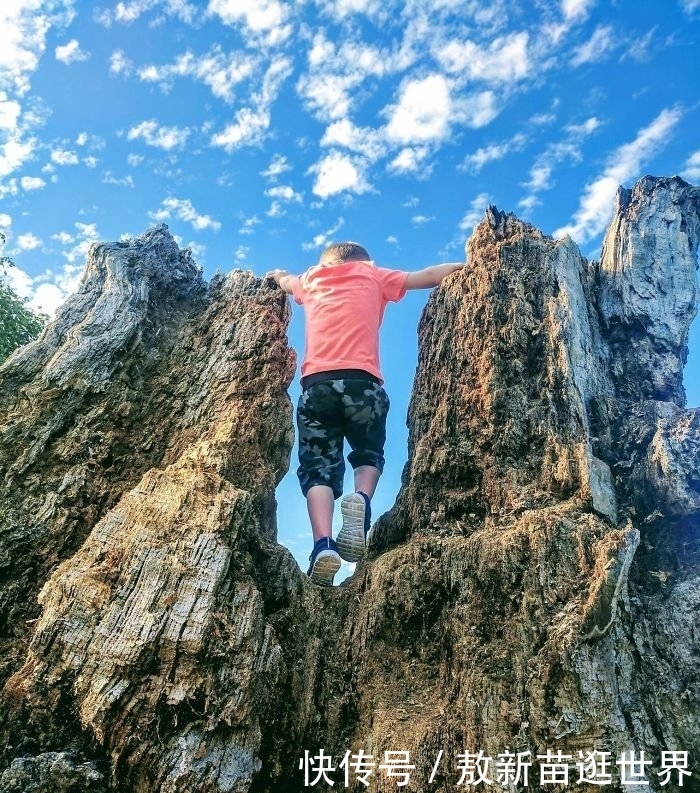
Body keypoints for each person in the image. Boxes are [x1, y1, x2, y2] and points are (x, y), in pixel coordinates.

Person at [266, 242, 463, 586]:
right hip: (364, 383)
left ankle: (323, 545)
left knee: (318, 470)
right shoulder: (374, 275)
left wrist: (278, 275)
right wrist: (469, 264)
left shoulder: (311, 279)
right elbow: (429, 276)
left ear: (323, 264)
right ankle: (361, 498)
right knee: (368, 453)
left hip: (317, 386)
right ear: (365, 261)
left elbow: (284, 281)